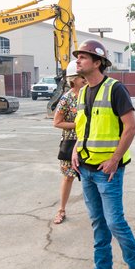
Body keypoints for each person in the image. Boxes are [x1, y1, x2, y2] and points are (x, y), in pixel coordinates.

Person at [70, 40, 135, 269]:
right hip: (87, 169)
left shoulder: (115, 89)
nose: (78, 61)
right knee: (98, 222)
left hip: (108, 170)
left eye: (83, 57)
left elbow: (131, 127)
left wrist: (115, 159)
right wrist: (75, 149)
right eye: (78, 57)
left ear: (98, 62)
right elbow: (83, 128)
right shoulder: (82, 92)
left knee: (115, 222)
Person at [52, 70, 86, 224]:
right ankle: (61, 210)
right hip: (70, 141)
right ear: (73, 80)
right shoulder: (66, 98)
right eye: (82, 77)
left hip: (89, 141)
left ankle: (98, 213)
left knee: (92, 178)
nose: (85, 80)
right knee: (68, 177)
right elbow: (57, 122)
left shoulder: (90, 94)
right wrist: (78, 125)